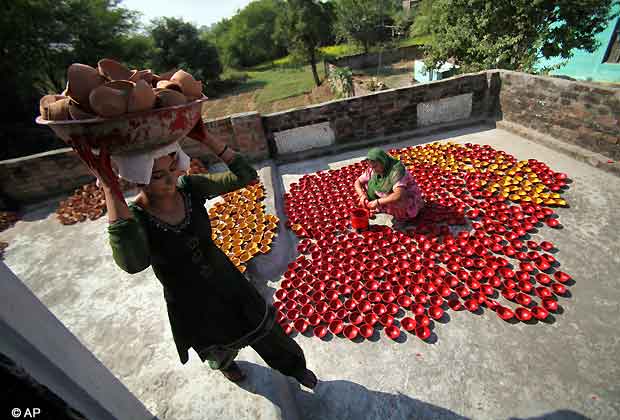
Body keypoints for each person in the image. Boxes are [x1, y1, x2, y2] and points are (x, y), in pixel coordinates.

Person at [83, 131, 317, 388]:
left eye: (173, 168)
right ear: (138, 180)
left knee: (265, 330)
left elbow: (245, 176)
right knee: (216, 345)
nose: (171, 180)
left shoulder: (189, 188)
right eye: (159, 176)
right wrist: (109, 187)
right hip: (191, 300)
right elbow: (132, 264)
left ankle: (294, 368)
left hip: (228, 282)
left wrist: (205, 137)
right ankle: (227, 366)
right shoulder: (137, 218)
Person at [354, 147, 424, 223]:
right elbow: (357, 182)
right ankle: (384, 206)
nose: (373, 169)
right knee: (369, 183)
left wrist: (377, 202)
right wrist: (362, 195)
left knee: (399, 198)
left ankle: (404, 214)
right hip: (386, 195)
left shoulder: (396, 171)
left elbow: (398, 195)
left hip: (406, 198)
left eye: (375, 166)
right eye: (371, 166)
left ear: (383, 161)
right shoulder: (372, 169)